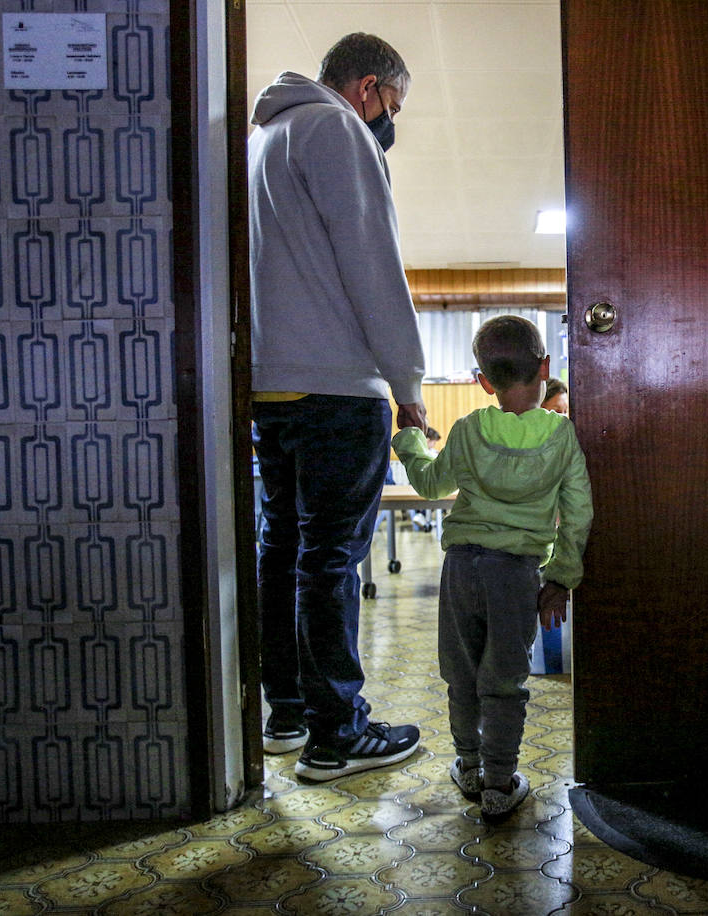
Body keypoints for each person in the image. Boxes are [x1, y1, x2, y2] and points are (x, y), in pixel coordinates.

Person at [249, 33, 427, 780]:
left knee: (282, 549)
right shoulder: (338, 129)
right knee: (329, 561)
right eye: (394, 104)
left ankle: (286, 712)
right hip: (335, 390)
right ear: (367, 87)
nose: (391, 120)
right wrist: (408, 382)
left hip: (272, 387)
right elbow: (372, 262)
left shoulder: (264, 139)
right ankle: (338, 734)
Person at [393, 316, 592, 821]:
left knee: (461, 673)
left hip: (461, 568)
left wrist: (410, 443)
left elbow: (433, 486)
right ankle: (501, 785)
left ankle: (469, 766)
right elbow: (578, 513)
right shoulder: (563, 435)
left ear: (483, 382)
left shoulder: (468, 429)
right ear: (545, 368)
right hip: (517, 573)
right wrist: (562, 577)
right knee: (505, 680)